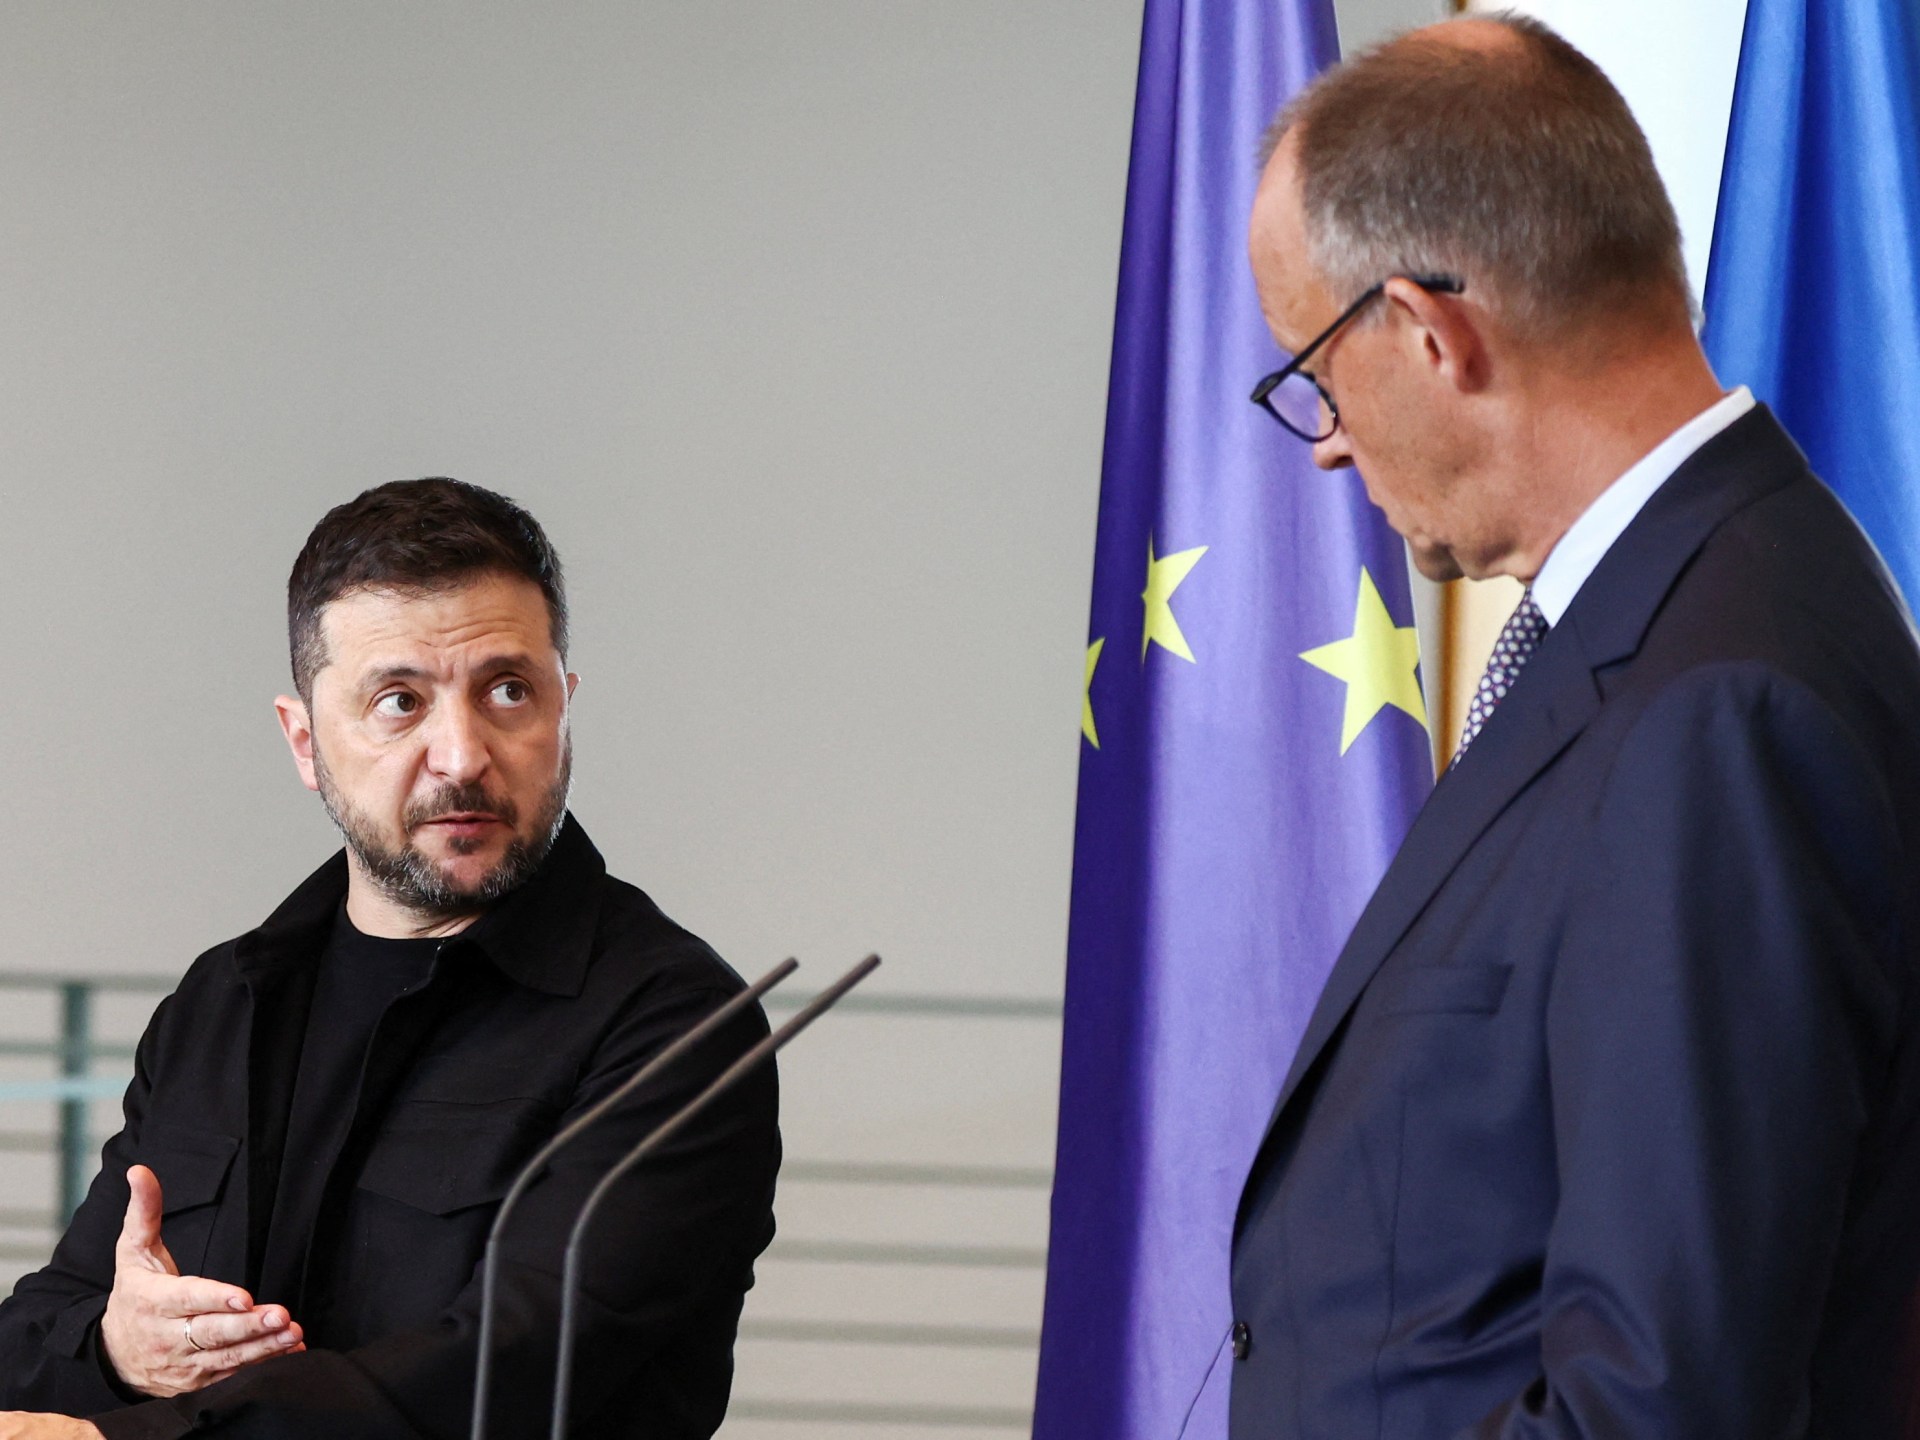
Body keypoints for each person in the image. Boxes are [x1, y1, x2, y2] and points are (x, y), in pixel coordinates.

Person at [1232, 15, 1920, 1437]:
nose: (1329, 442)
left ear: (1428, 333)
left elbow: (1664, 1408)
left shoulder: (1718, 708)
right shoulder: (1687, 617)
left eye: (1318, 374)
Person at [0, 479, 780, 1440]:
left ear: (563, 709)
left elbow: (507, 1375)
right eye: (399, 701)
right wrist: (119, 1351)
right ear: (304, 741)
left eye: (508, 691)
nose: (461, 755)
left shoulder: (680, 1027)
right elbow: (35, 1335)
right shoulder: (221, 1003)